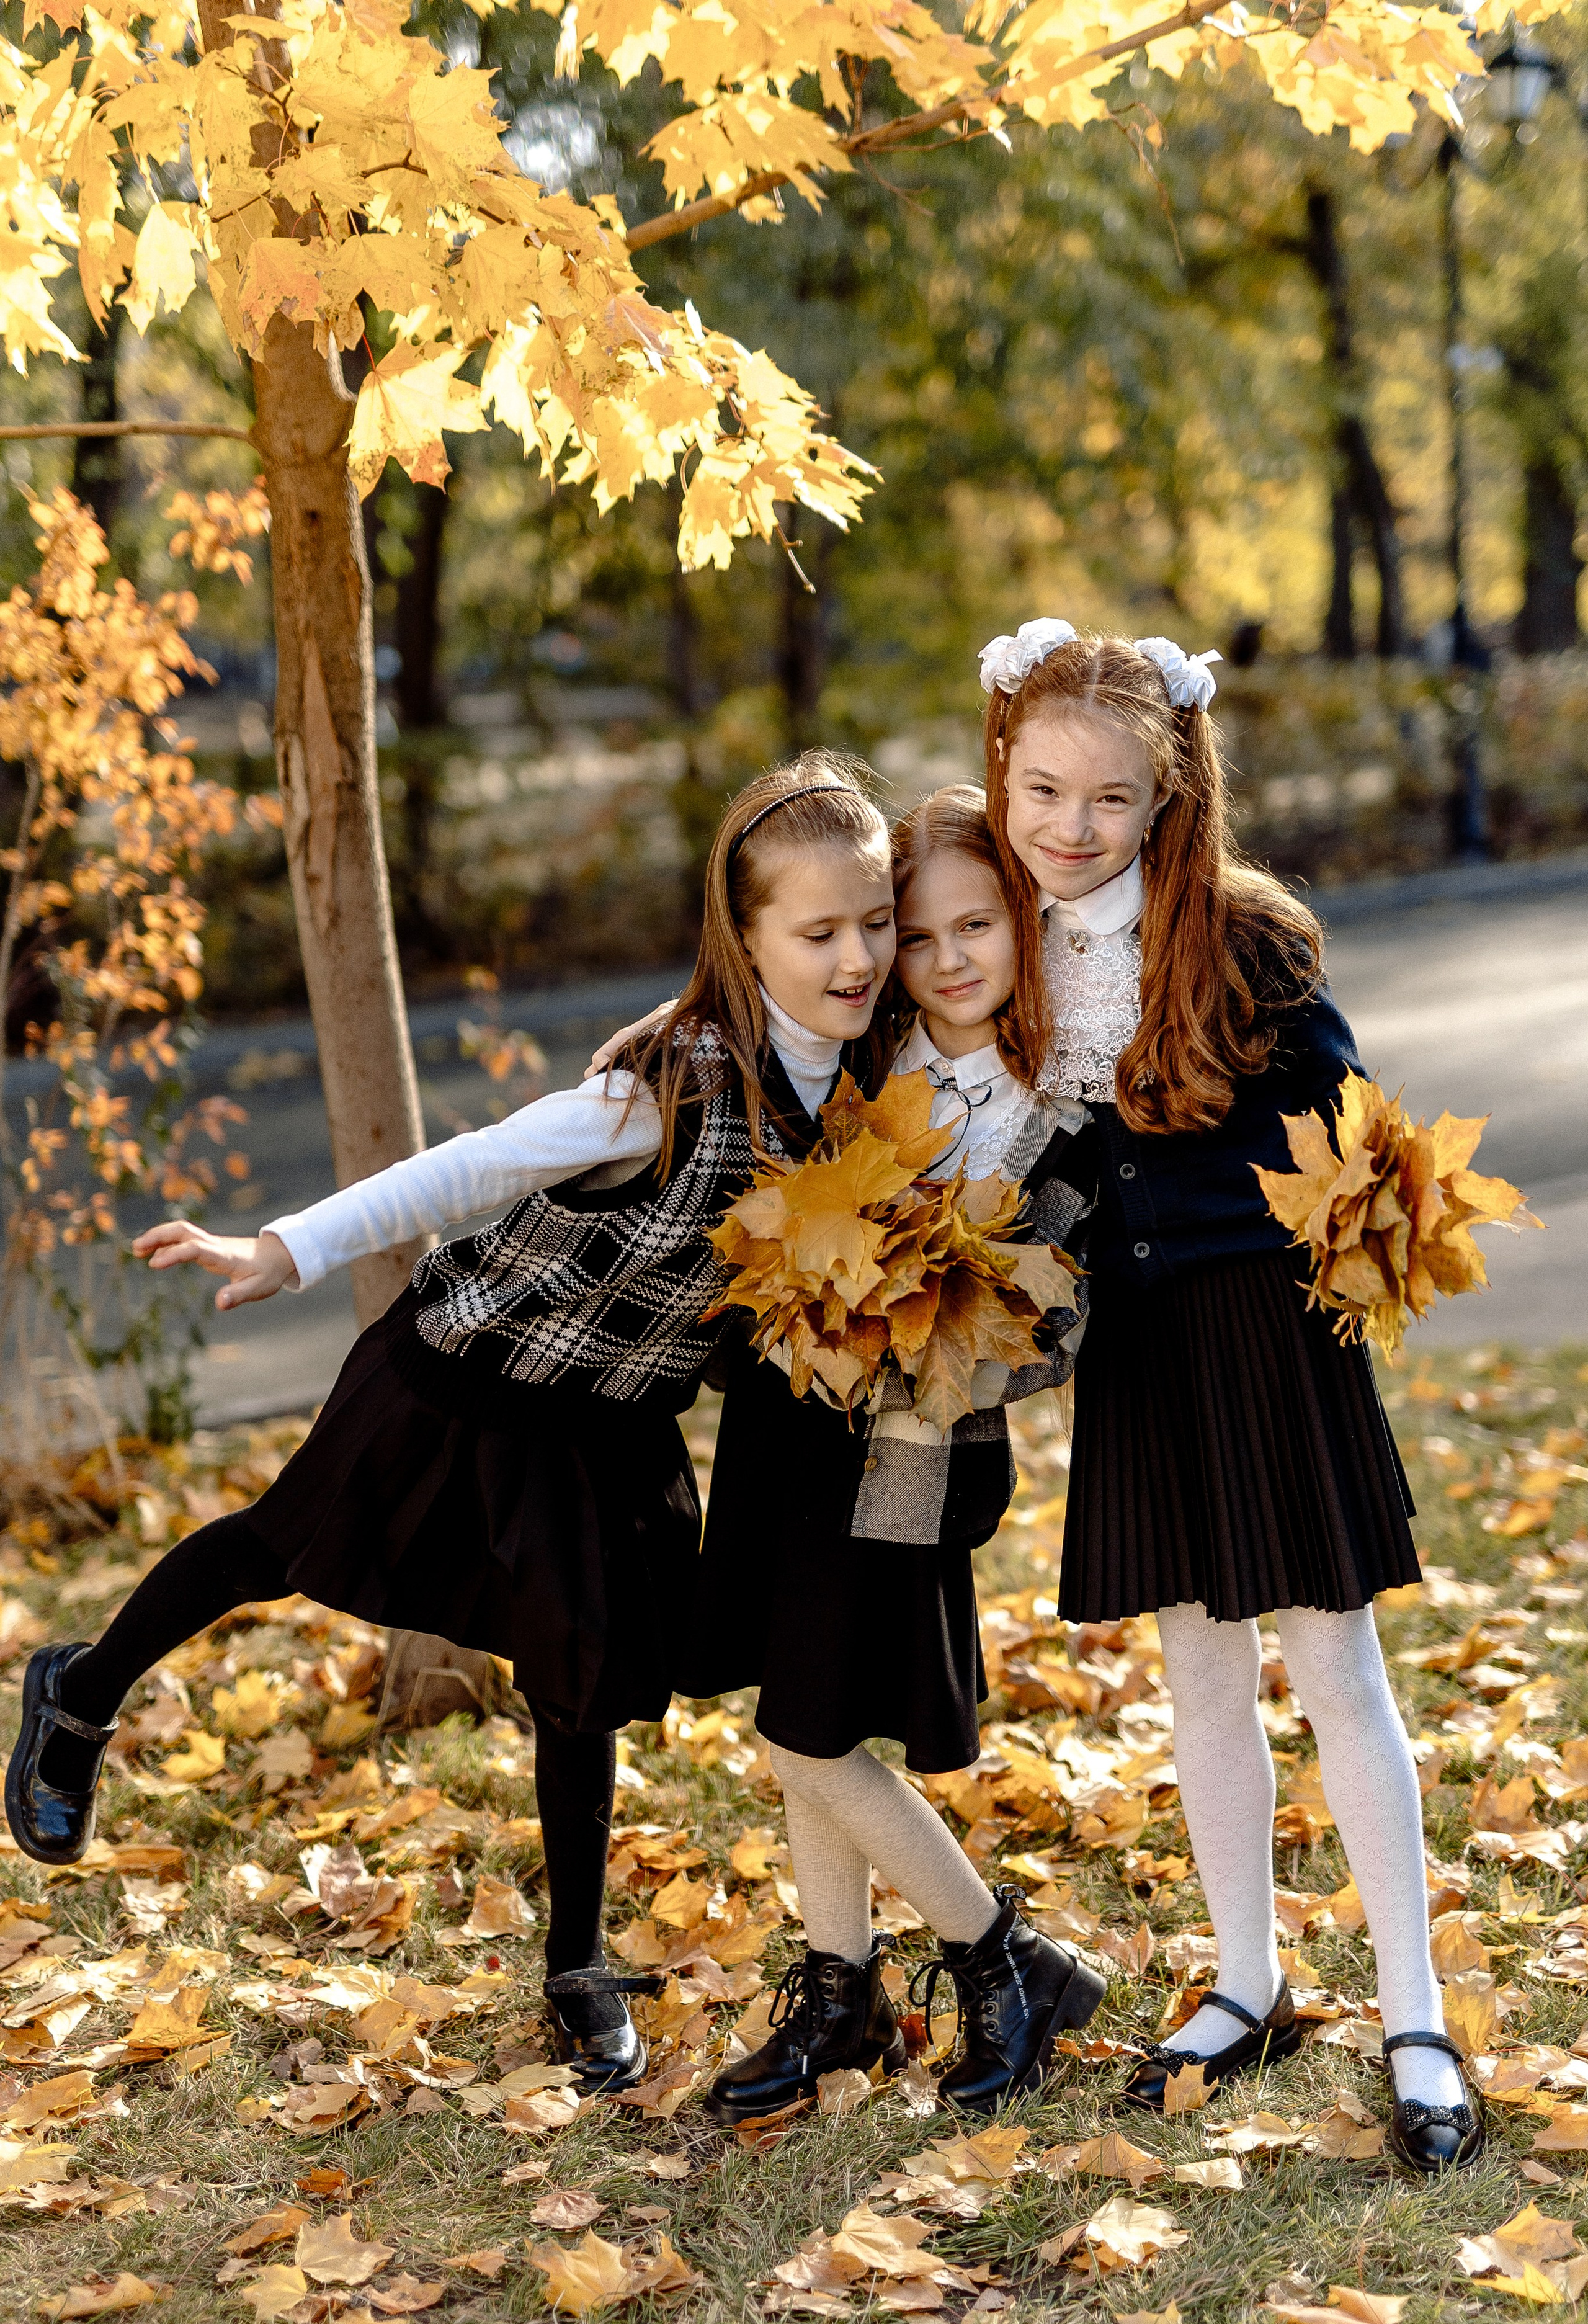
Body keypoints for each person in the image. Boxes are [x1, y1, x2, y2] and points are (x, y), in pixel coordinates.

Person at [5, 757, 896, 2101]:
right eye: (817, 934)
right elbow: (469, 1164)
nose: (855, 957)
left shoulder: (865, 1082)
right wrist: (289, 1243)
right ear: (745, 936)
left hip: (608, 1418)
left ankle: (575, 1967)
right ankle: (78, 1693)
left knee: (583, 1675)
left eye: (872, 925)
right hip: (462, 1373)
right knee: (277, 1549)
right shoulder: (657, 1084)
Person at [978, 618, 1481, 2175]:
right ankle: (1248, 1980)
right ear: (998, 772)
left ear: (1168, 800)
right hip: (1133, 1353)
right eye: (1042, 789)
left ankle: (1413, 2014)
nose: (1070, 827)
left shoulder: (1244, 937)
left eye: (1108, 802)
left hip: (1265, 1336)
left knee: (1332, 1665)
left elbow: (1345, 1136)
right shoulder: (992, 938)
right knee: (1195, 1670)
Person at [680, 783, 1105, 2122]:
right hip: (787, 1434)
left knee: (806, 1734)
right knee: (807, 1707)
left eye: (975, 927)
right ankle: (838, 1991)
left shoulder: (1058, 1111)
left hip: (907, 1456)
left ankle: (1001, 1957)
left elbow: (1056, 1321)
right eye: (914, 939)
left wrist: (927, 1310)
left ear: (1021, 930)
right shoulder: (866, 1059)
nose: (943, 961)